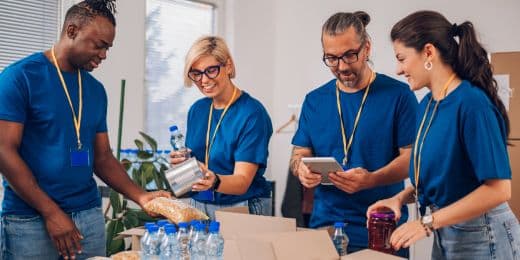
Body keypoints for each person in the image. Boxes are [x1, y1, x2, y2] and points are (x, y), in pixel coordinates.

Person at [0, 1, 170, 259]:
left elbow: (102, 157)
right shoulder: (19, 77)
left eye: (108, 48)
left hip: (88, 217)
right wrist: (51, 213)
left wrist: (142, 197)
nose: (104, 55)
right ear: (71, 30)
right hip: (30, 220)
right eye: (99, 45)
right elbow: (4, 151)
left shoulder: (95, 90)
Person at [367, 10, 520, 259]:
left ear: (428, 52)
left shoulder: (471, 104)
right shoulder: (426, 105)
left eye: (401, 58)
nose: (398, 69)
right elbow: (443, 179)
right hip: (446, 233)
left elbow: (499, 190)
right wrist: (398, 198)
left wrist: (426, 223)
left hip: (484, 234)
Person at [290, 11, 417, 254]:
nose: (342, 66)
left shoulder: (399, 96)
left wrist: (372, 179)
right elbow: (299, 153)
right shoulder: (314, 101)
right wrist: (301, 170)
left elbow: (411, 159)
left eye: (349, 55)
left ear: (367, 48)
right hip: (326, 229)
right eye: (332, 58)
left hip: (382, 229)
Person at [169, 36, 273, 220]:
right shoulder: (197, 110)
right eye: (196, 73)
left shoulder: (252, 113)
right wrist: (183, 165)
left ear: (229, 66)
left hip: (242, 205)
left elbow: (242, 182)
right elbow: (199, 164)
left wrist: (214, 180)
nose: (204, 80)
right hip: (200, 203)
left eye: (211, 70)